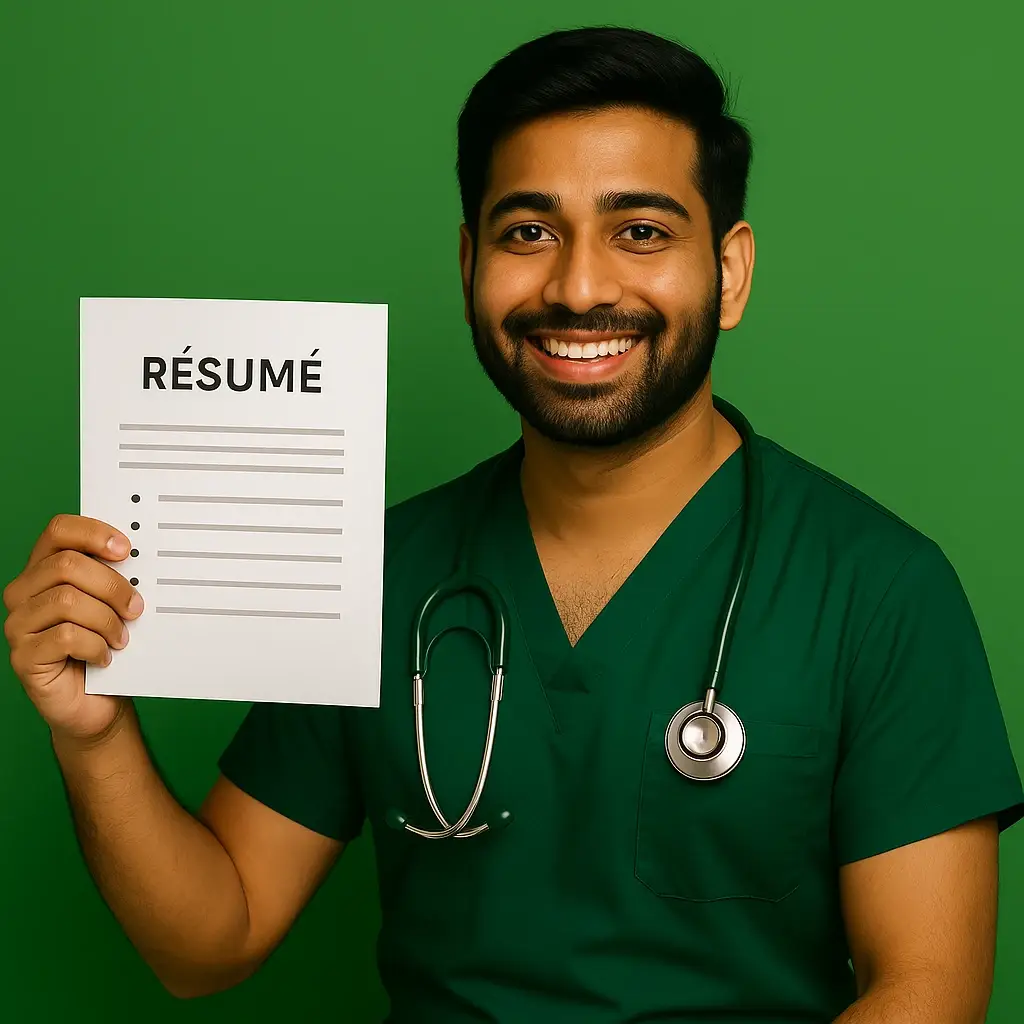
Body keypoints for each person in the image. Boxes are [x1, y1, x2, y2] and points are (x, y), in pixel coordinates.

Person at [3, 25, 1022, 1023]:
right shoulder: (375, 571)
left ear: (731, 270)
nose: (578, 287)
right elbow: (206, 945)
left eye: (641, 232)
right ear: (468, 264)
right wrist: (95, 735)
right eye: (527, 231)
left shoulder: (878, 587)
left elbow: (927, 988)